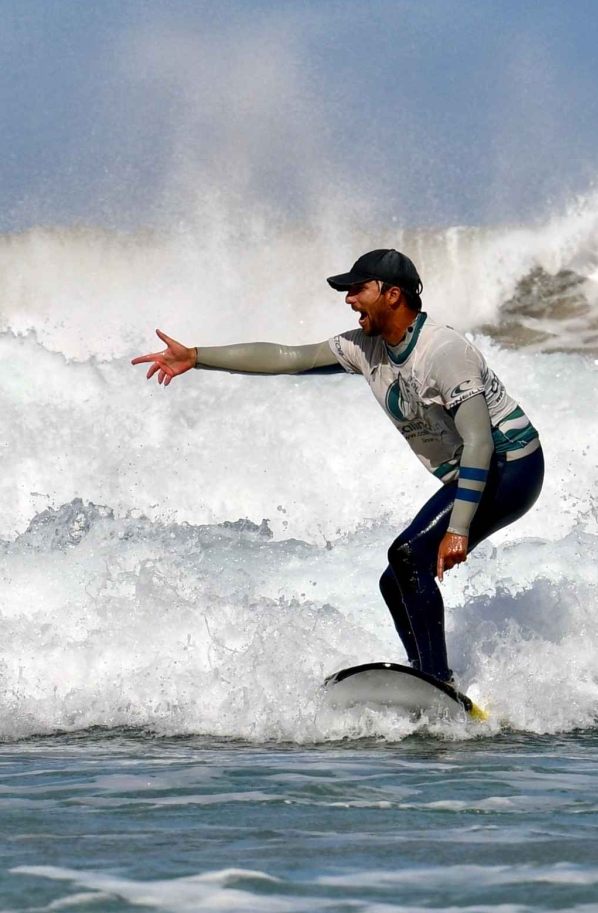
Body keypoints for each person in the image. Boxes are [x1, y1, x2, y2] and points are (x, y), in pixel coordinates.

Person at [131, 249, 543, 686]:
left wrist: (458, 528)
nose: (349, 300)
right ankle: (430, 681)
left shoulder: (443, 352)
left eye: (358, 290)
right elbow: (289, 357)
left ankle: (438, 682)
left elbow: (479, 442)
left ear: (393, 295)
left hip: (510, 466)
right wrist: (196, 356)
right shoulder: (366, 348)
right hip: (475, 471)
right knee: (395, 579)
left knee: (407, 557)